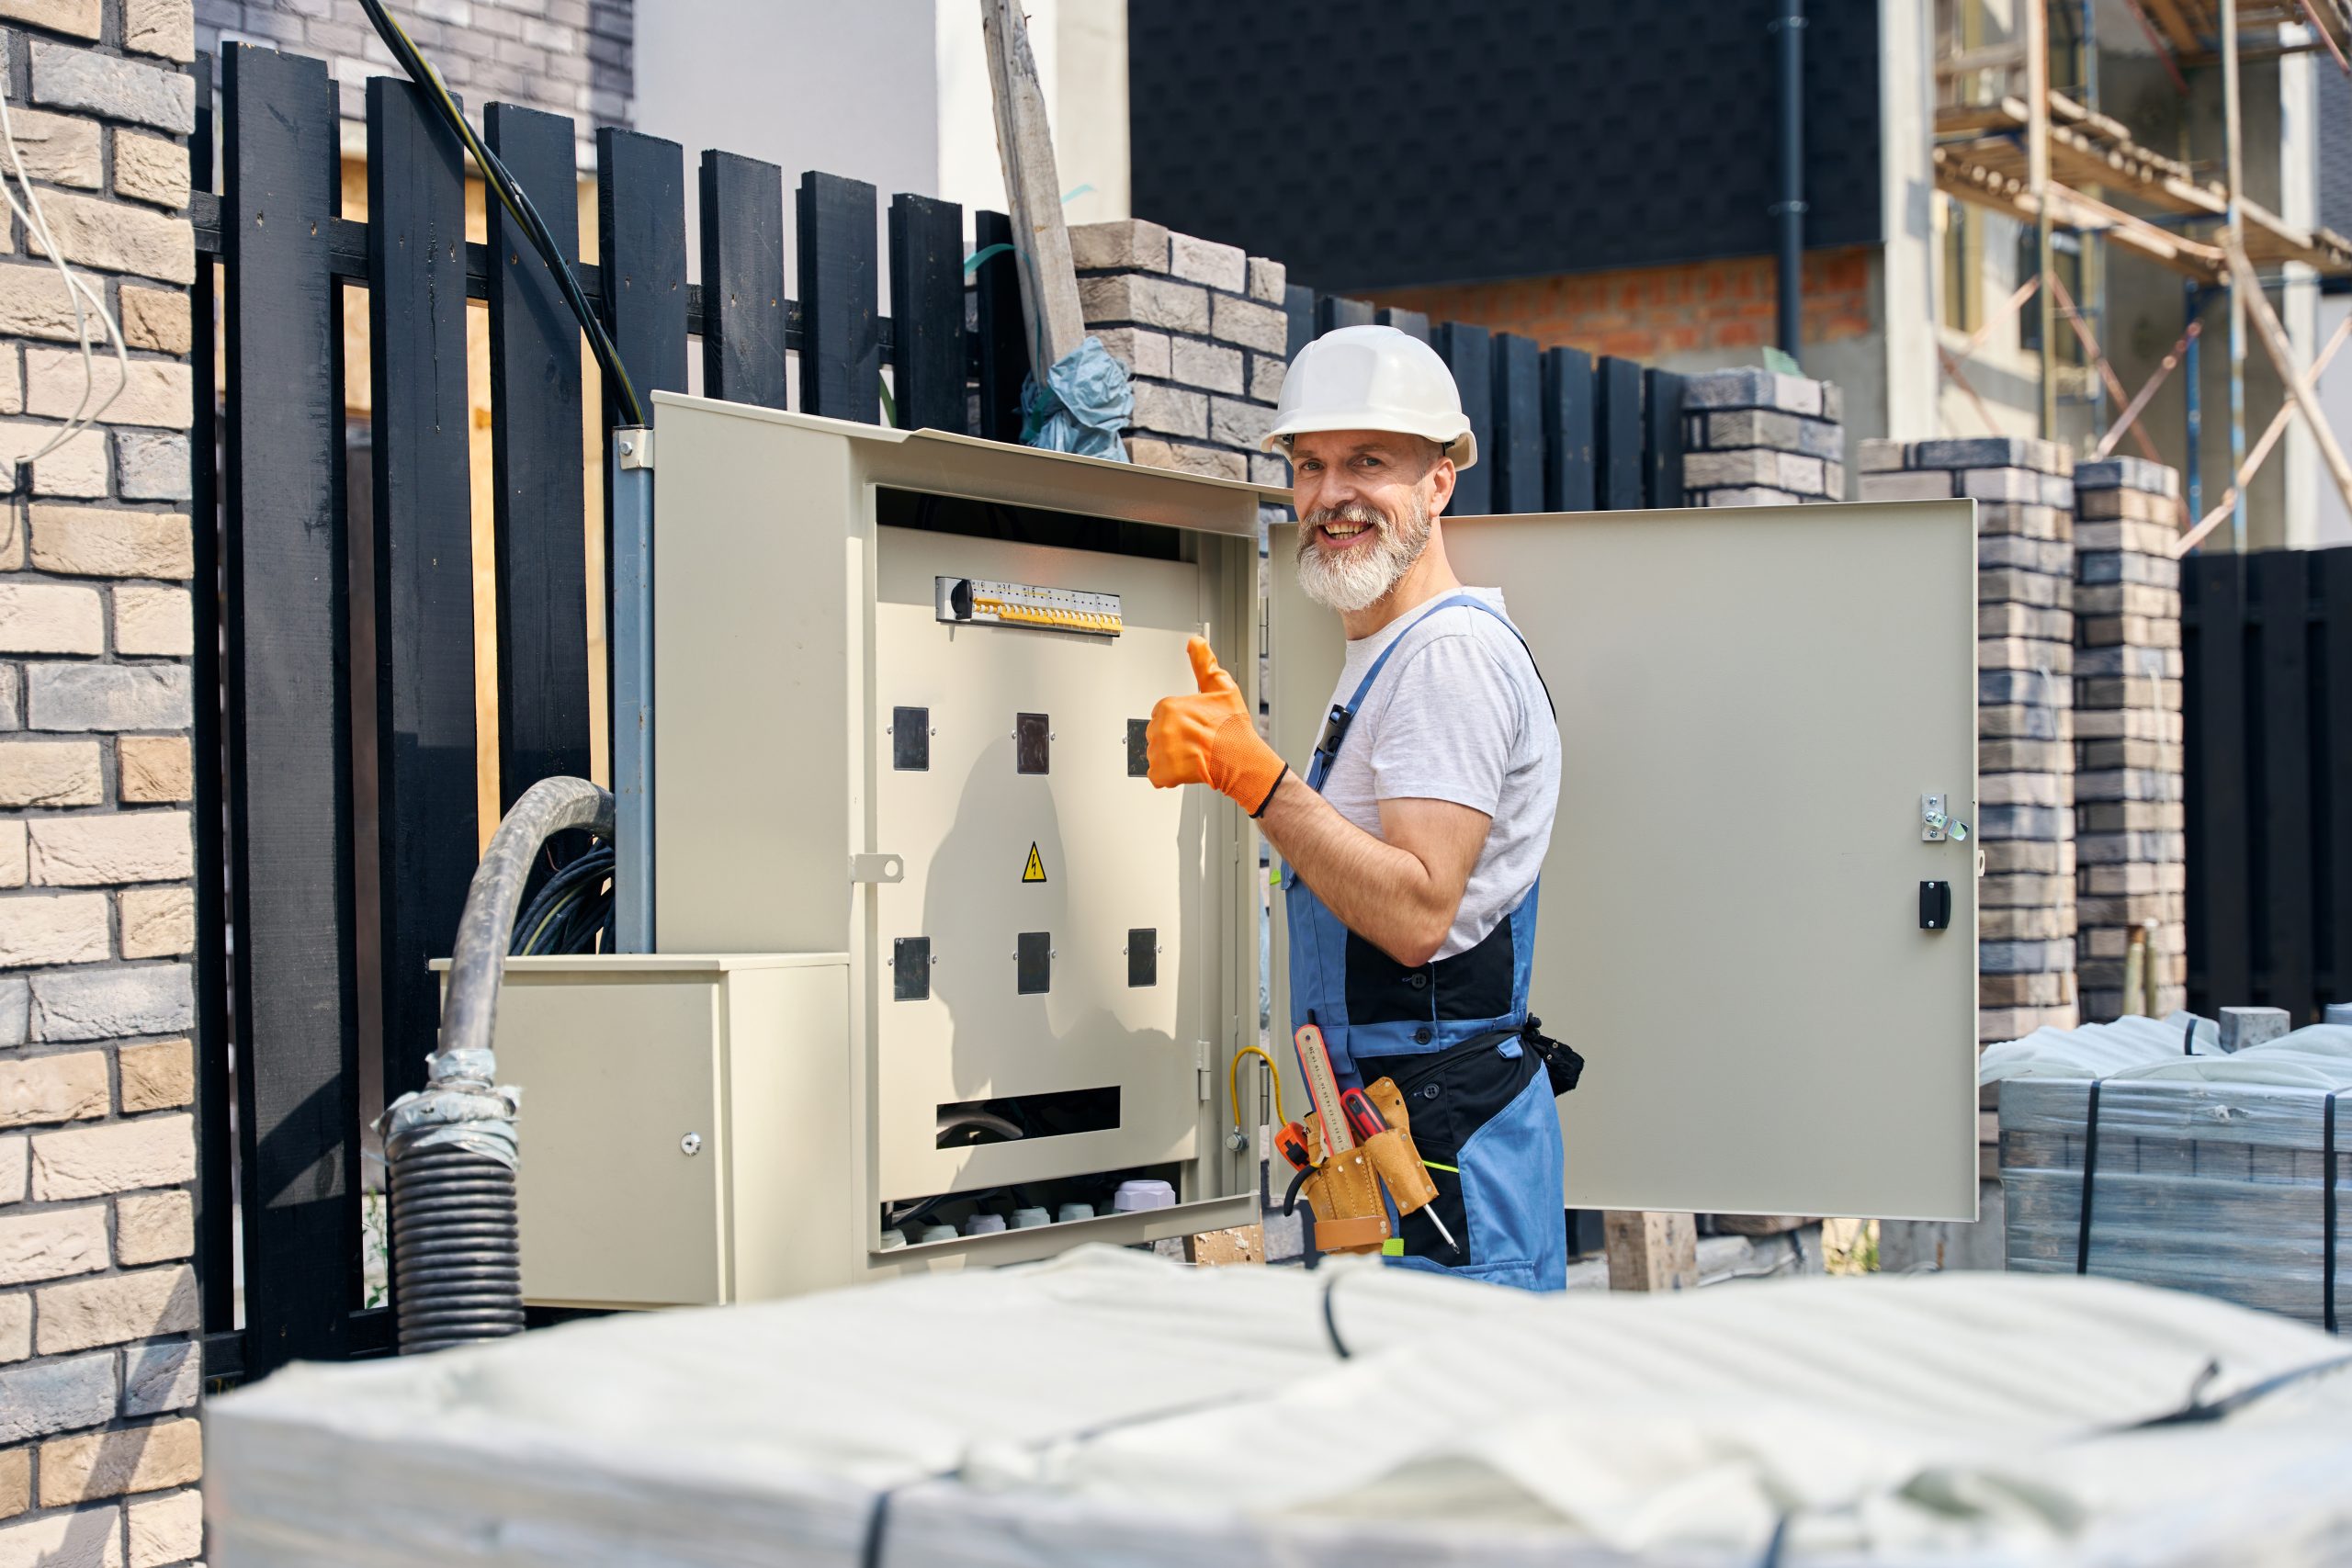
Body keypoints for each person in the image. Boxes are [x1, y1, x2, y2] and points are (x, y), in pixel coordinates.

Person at [1145, 324, 1566, 1291]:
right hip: (1399, 1132)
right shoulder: (1390, 653)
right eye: (1309, 465)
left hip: (1447, 1147)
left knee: (1451, 1421)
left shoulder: (1441, 659)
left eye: (1367, 462)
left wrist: (1256, 780)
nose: (1330, 495)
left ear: (1437, 483)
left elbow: (1419, 915)